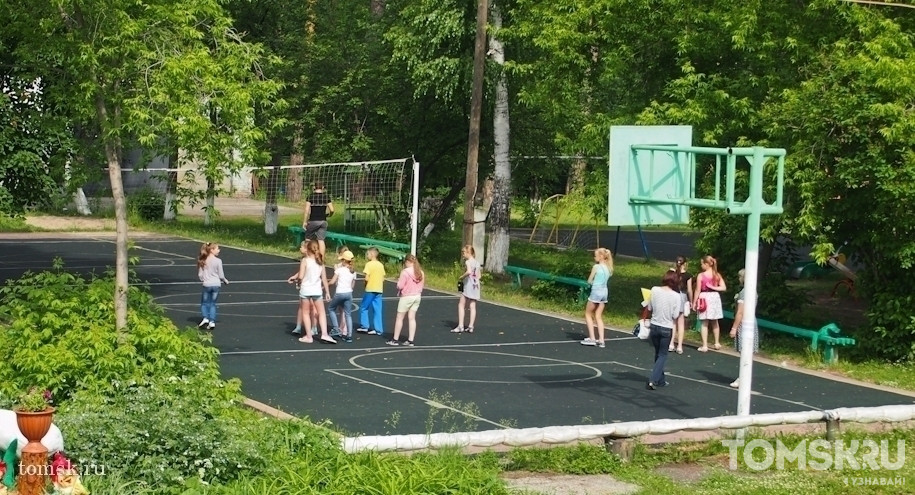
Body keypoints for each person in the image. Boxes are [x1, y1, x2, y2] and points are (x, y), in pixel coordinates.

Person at [288, 240, 334, 344]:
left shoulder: (305, 260)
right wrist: (327, 292)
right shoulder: (320, 261)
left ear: (308, 250)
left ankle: (309, 336)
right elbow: (324, 278)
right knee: (321, 312)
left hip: (306, 290)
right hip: (317, 290)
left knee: (305, 312)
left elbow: (301, 276)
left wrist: (297, 281)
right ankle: (325, 334)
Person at [646, 270, 682, 390]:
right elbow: (675, 315)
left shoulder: (655, 290)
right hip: (666, 327)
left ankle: (661, 380)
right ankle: (654, 379)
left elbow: (650, 307)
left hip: (654, 325)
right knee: (662, 354)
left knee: (658, 353)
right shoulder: (677, 296)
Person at [729, 269, 758, 388]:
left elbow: (740, 312)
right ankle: (744, 376)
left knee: (744, 351)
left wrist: (734, 328)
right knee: (747, 351)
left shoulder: (744, 293)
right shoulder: (753, 291)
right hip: (751, 322)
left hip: (744, 323)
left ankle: (743, 377)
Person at [387, 254, 425, 347]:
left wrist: (398, 283)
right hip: (417, 296)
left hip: (407, 296)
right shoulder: (420, 272)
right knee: (412, 318)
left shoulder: (405, 272)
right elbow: (422, 285)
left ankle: (395, 339)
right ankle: (410, 340)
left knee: (399, 317)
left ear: (408, 262)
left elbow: (400, 286)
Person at [693, 255, 727, 352]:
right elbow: (723, 287)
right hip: (715, 297)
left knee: (704, 322)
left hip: (705, 297)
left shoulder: (701, 275)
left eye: (702, 264)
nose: (701, 266)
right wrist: (715, 288)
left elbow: (697, 290)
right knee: (715, 321)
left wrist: (694, 302)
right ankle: (716, 342)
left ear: (706, 264)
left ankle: (705, 345)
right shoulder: (717, 275)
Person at [581, 248, 614, 348]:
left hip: (596, 291)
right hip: (604, 292)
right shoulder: (609, 268)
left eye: (595, 255)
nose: (594, 257)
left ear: (600, 257)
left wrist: (590, 282)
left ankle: (592, 338)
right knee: (598, 316)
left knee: (588, 313)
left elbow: (590, 280)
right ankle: (601, 340)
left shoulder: (596, 267)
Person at [197, 242, 229, 330]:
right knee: (212, 303)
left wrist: (204, 280)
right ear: (211, 250)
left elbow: (200, 275)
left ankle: (205, 318)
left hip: (207, 284)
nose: (219, 250)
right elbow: (221, 275)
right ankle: (212, 321)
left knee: (204, 303)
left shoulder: (202, 260)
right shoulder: (218, 261)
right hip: (216, 284)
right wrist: (225, 280)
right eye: (217, 249)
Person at [327, 249, 357, 343]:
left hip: (340, 293)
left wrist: (325, 285)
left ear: (344, 261)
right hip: (349, 293)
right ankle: (349, 335)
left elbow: (332, 282)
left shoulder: (339, 270)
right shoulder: (353, 272)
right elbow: (352, 284)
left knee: (331, 309)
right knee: (348, 314)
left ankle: (336, 328)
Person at [356, 247, 386, 336]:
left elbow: (366, 278)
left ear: (372, 254)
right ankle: (378, 329)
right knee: (377, 309)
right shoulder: (381, 265)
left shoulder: (369, 264)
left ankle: (364, 326)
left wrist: (365, 284)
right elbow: (383, 278)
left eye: (368, 254)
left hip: (370, 289)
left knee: (364, 307)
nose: (367, 256)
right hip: (379, 289)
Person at [452, 245, 481, 333]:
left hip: (469, 284)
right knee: (472, 305)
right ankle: (471, 326)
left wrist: (462, 276)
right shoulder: (477, 263)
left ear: (469, 252)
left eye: (464, 252)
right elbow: (479, 276)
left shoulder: (468, 262)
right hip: (476, 285)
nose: (463, 254)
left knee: (461, 304)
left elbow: (468, 271)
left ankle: (461, 325)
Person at [303, 181, 334, 257]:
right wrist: (329, 215)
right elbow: (332, 210)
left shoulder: (310, 196)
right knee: (321, 240)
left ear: (314, 187)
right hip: (323, 221)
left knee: (308, 239)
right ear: (323, 187)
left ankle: (307, 256)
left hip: (313, 220)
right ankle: (321, 259)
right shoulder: (326, 196)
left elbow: (307, 210)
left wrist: (304, 221)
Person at [669, 255, 693, 354]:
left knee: (673, 321)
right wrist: (691, 301)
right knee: (681, 322)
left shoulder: (673, 273)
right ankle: (679, 346)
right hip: (682, 296)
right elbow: (690, 290)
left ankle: (671, 344)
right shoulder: (688, 275)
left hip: (673, 296)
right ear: (685, 264)